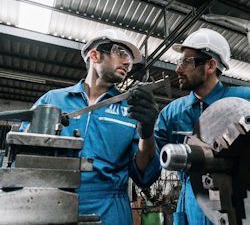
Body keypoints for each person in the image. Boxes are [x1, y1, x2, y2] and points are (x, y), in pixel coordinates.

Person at [20, 29, 161, 225]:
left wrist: (147, 134)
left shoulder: (131, 110)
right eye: (121, 53)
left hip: (110, 211)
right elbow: (21, 156)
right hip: (53, 205)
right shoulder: (53, 100)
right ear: (95, 55)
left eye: (130, 57)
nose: (128, 62)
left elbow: (145, 176)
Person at [154, 28, 250, 225]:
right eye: (179, 61)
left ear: (211, 65)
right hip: (191, 203)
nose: (178, 69)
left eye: (186, 61)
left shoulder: (243, 100)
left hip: (238, 200)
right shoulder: (172, 113)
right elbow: (150, 164)